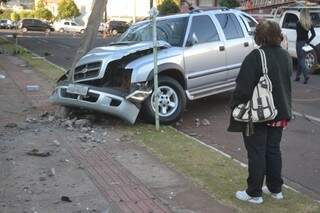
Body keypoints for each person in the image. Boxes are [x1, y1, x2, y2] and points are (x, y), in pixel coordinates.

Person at [228, 20, 292, 204]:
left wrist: (235, 105)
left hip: (258, 113)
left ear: (259, 36)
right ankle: (275, 189)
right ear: (278, 34)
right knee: (273, 150)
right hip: (280, 111)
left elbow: (243, 89)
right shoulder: (286, 55)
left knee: (256, 151)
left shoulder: (255, 56)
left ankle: (254, 193)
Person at [295, 8, 316, 84]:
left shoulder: (298, 23)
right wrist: (307, 41)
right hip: (305, 43)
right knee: (301, 59)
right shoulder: (309, 23)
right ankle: (297, 76)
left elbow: (298, 35)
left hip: (299, 43)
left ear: (302, 14)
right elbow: (314, 35)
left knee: (300, 60)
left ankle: (306, 75)